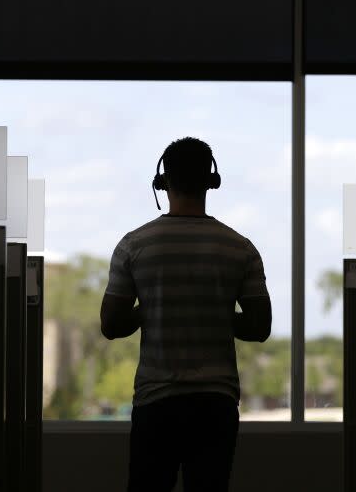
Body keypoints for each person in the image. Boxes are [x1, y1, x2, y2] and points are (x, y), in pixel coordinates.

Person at [100, 137, 272, 492]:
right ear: (212, 181)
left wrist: (151, 305)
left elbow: (112, 325)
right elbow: (259, 327)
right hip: (216, 403)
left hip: (155, 402)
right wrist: (217, 307)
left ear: (162, 183)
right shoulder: (240, 247)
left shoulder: (134, 245)